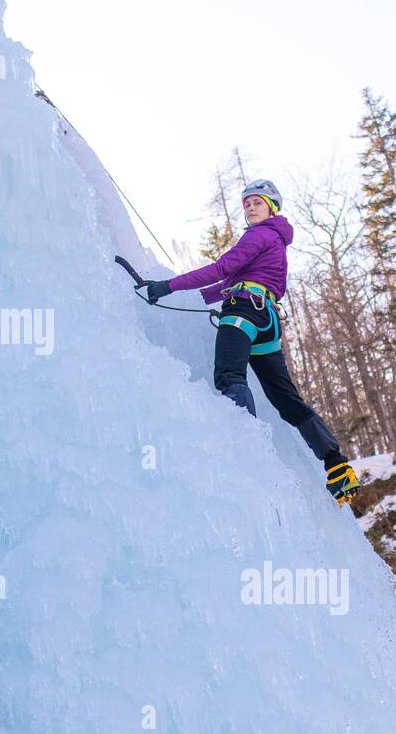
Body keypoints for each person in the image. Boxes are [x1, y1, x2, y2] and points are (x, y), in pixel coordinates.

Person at [144, 179, 361, 505]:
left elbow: (221, 268)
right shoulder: (275, 242)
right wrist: (172, 289)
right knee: (286, 399)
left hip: (244, 311)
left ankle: (247, 451)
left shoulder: (259, 235)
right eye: (246, 203)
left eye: (257, 202)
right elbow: (222, 285)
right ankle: (337, 465)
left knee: (229, 376)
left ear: (271, 207)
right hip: (266, 320)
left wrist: (169, 286)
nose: (250, 207)